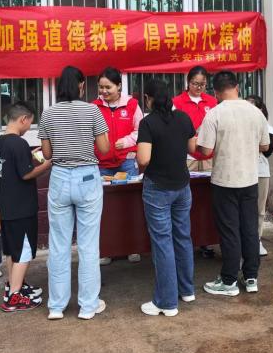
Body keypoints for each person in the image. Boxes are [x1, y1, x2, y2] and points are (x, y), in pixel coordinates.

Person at [39, 66, 111, 320]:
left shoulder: (48, 113)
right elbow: (104, 148)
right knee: (88, 245)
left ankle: (56, 306)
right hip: (87, 177)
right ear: (81, 85)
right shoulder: (93, 111)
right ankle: (88, 306)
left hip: (59, 176)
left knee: (58, 244)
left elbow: (47, 154)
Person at [197, 70, 270, 296]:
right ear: (237, 87)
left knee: (229, 231)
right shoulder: (256, 112)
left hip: (224, 181)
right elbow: (265, 146)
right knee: (249, 229)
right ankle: (251, 277)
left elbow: (205, 150)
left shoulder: (214, 114)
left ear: (215, 92)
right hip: (250, 179)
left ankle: (229, 280)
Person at [135, 79, 198, 317]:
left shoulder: (148, 123)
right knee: (182, 236)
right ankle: (187, 290)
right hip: (182, 185)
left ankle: (166, 302)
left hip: (158, 188)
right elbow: (192, 148)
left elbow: (143, 159)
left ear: (148, 99)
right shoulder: (183, 118)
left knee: (162, 242)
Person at [0, 101, 50, 312]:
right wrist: (48, 164)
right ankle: (14, 298)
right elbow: (26, 174)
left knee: (12, 250)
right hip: (21, 207)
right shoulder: (18, 143)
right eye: (30, 123)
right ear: (23, 119)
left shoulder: (1, 141)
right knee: (24, 251)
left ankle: (13, 286)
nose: (29, 127)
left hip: (7, 205)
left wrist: (30, 155)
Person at [92, 67, 143, 265]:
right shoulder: (94, 107)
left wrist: (128, 140)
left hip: (127, 162)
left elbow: (141, 130)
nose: (104, 91)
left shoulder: (132, 105)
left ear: (119, 86)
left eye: (108, 87)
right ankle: (107, 249)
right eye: (101, 87)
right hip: (102, 165)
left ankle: (132, 247)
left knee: (129, 207)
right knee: (104, 210)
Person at [172, 65, 218, 259]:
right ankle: (187, 240)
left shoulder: (212, 102)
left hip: (209, 157)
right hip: (188, 157)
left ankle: (206, 241)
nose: (198, 88)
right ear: (187, 82)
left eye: (202, 84)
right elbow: (173, 127)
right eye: (194, 84)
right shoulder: (177, 102)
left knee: (207, 201)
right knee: (187, 202)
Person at [246, 95, 273, 257]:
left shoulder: (266, 126)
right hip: (243, 171)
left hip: (261, 170)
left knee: (259, 208)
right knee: (244, 209)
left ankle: (256, 240)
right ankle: (244, 241)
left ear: (261, 110)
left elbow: (269, 150)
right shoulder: (239, 125)